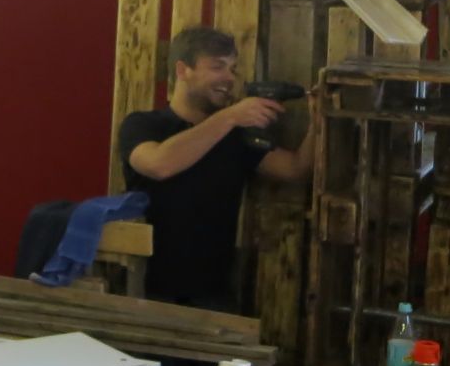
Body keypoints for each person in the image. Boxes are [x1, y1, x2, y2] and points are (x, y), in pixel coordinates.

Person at [118, 26, 314, 312]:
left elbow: (295, 169)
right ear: (183, 70)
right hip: (146, 293)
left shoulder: (236, 136)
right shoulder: (143, 124)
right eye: (217, 67)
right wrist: (231, 116)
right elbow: (160, 164)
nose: (230, 78)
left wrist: (320, 119)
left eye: (232, 69)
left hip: (214, 296)